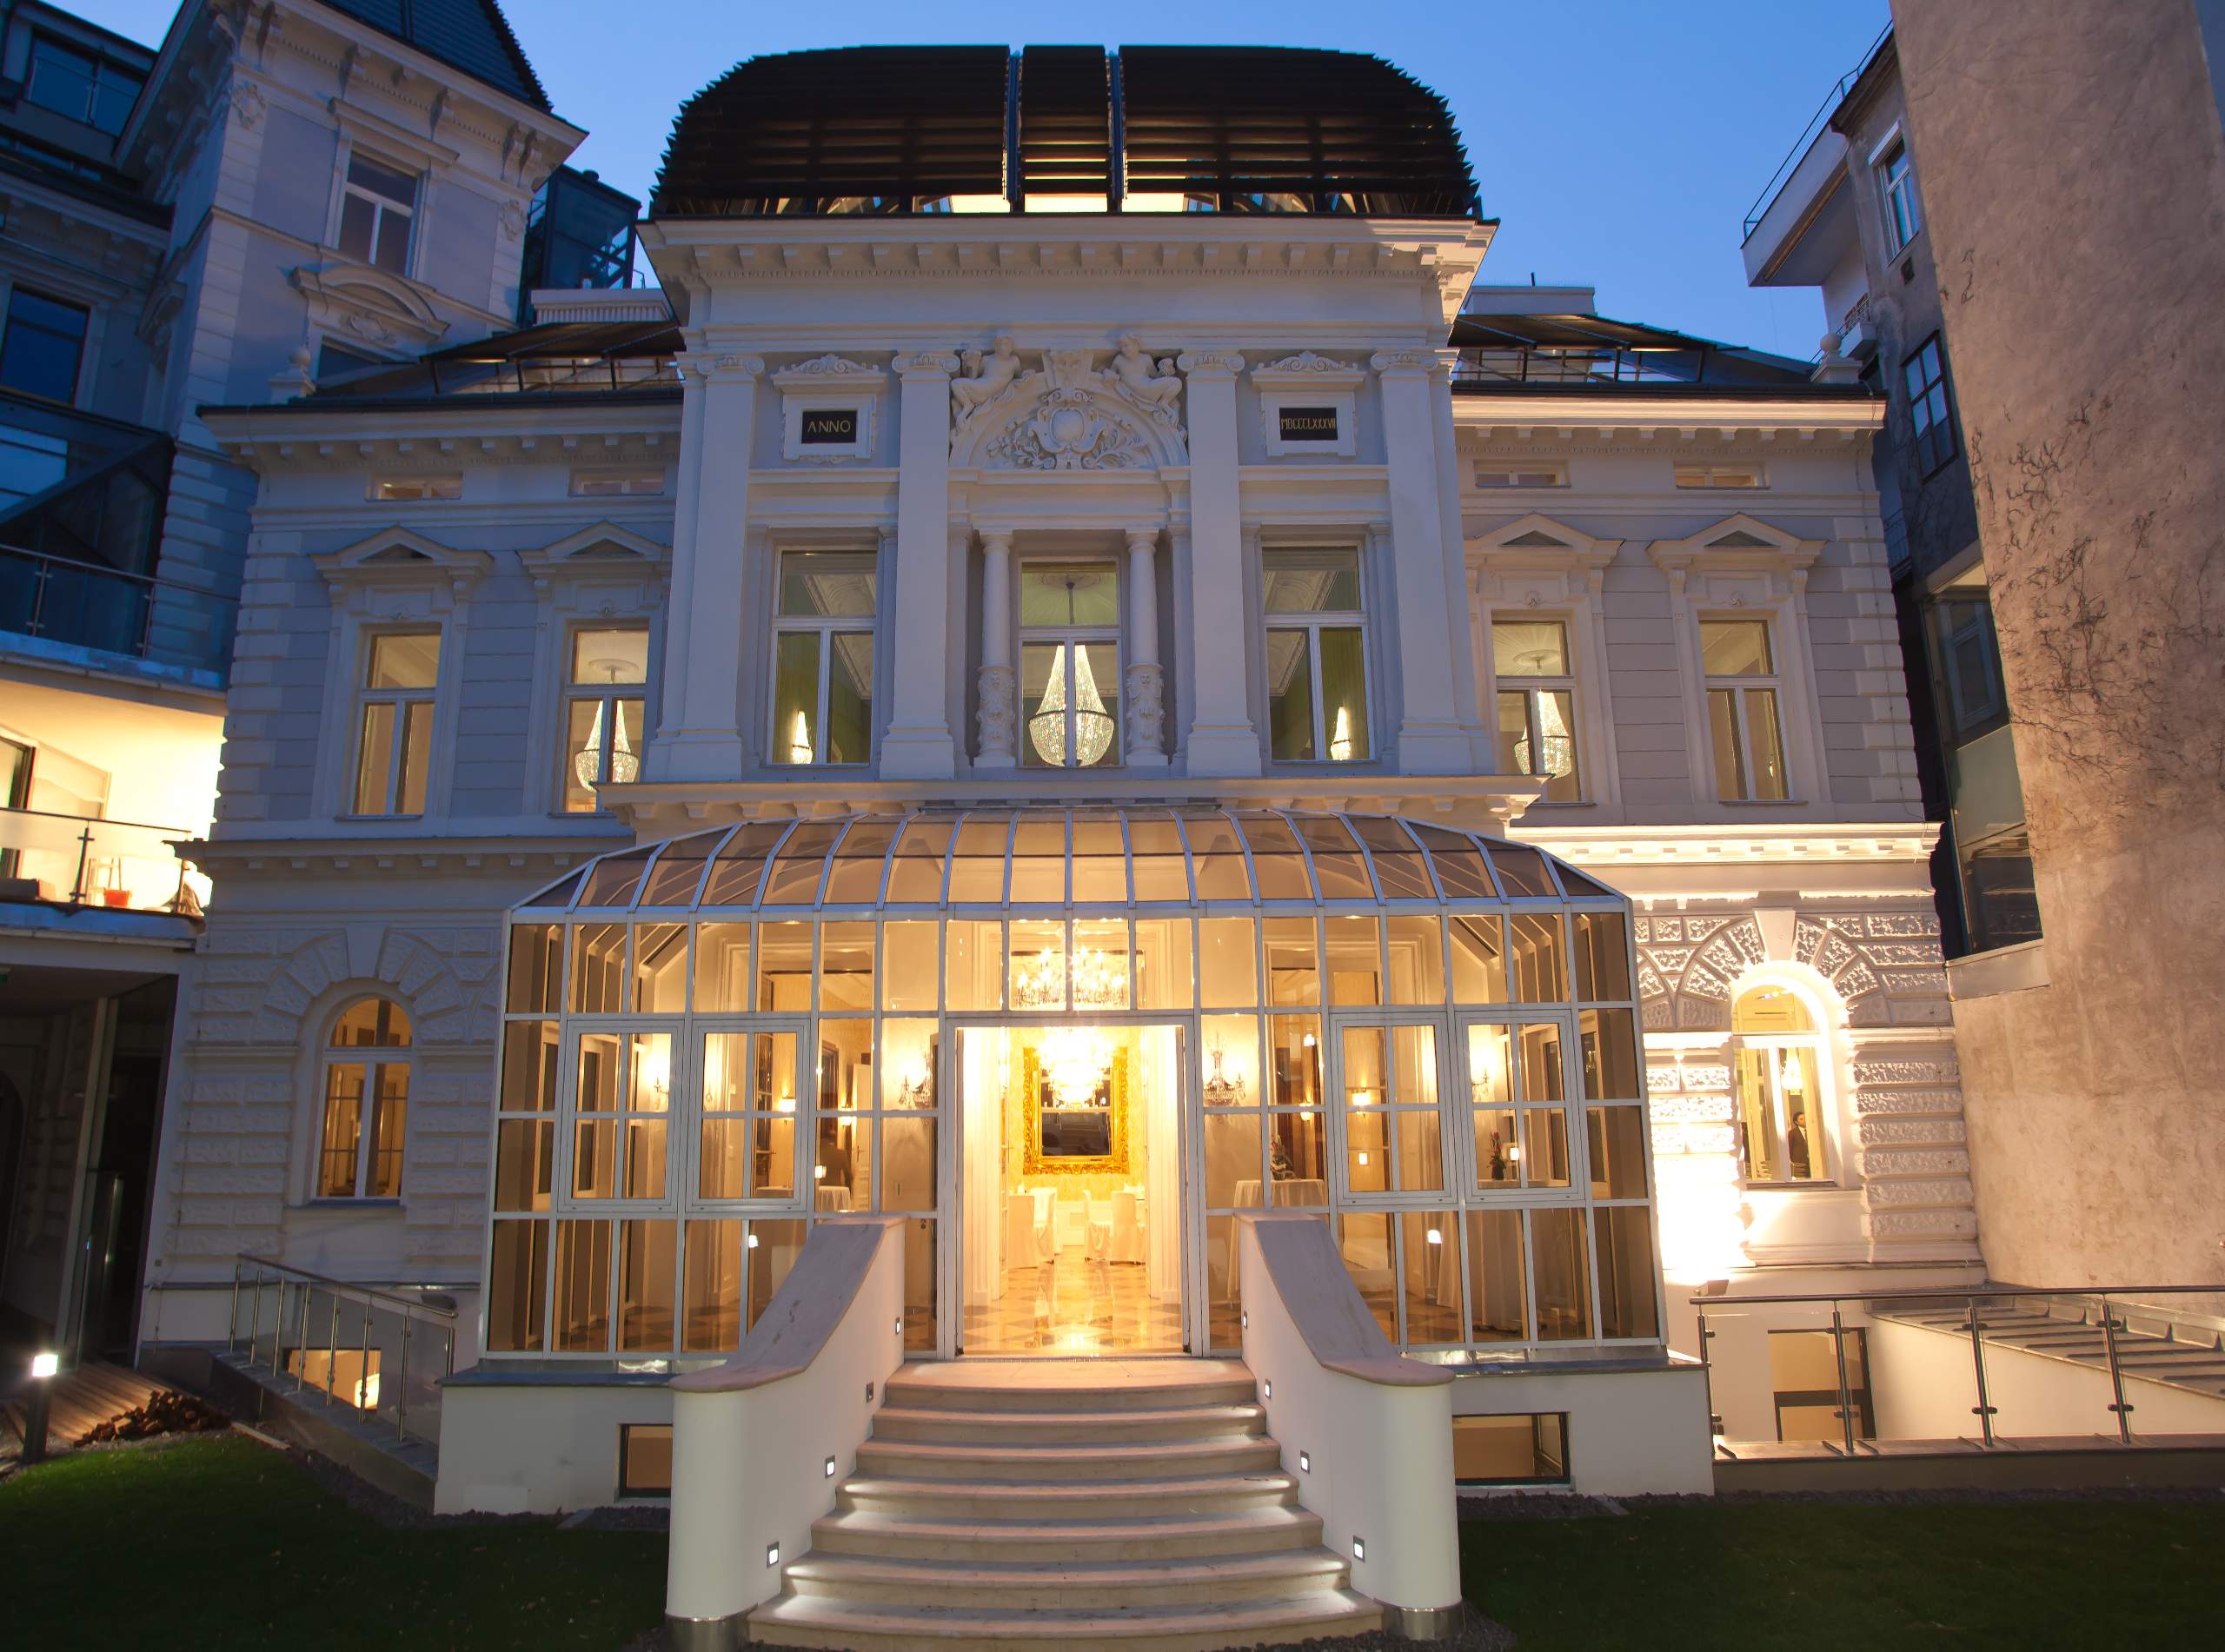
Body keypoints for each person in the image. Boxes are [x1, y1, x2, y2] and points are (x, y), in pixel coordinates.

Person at [1787, 1111, 1811, 1180]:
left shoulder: (1811, 1131)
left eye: (1805, 1118)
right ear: (1796, 1122)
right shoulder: (1792, 1133)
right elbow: (1789, 1148)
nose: (1804, 1120)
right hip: (1799, 1163)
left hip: (1810, 1163)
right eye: (1801, 1119)